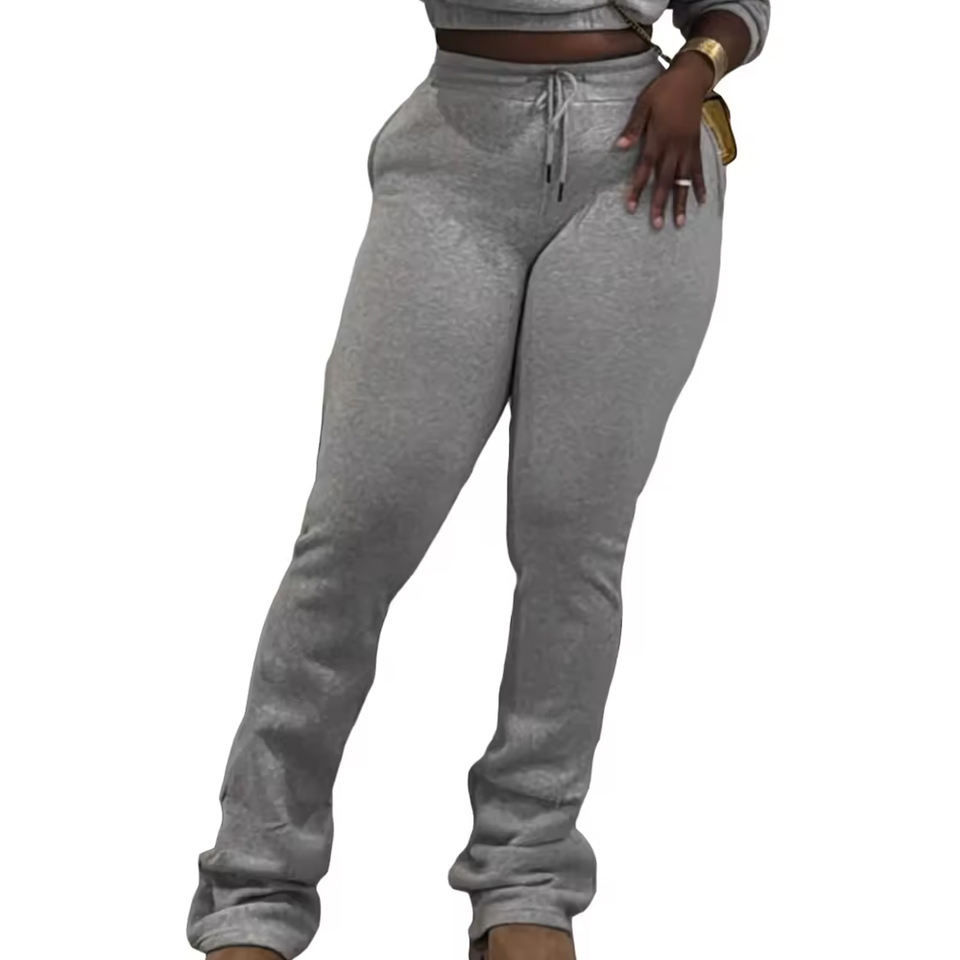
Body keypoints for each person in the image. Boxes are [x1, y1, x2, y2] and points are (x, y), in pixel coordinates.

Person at [185, 2, 770, 958]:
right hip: (453, 155)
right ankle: (255, 886)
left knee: (573, 540)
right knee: (354, 534)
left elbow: (735, 5)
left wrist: (698, 66)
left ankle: (527, 877)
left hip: (644, 153)